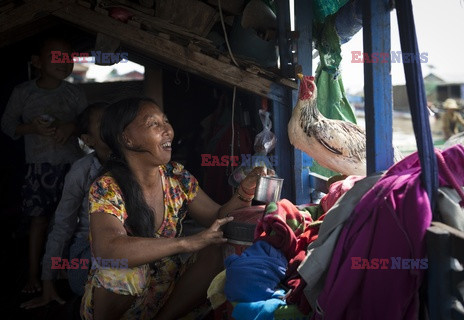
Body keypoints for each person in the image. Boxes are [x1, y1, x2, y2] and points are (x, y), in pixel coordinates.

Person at [80, 97, 269, 320]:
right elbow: (108, 249)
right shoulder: (107, 187)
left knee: (220, 247)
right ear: (127, 138)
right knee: (123, 269)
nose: (167, 130)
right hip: (123, 307)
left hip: (166, 293)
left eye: (166, 121)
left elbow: (218, 217)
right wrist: (185, 242)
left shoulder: (176, 177)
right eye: (154, 124)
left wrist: (244, 192)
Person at [1, 36, 88, 293]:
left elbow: (88, 124)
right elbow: (6, 124)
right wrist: (31, 128)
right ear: (37, 62)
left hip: (72, 167)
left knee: (71, 221)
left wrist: (72, 127)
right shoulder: (24, 92)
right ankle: (32, 275)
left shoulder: (74, 93)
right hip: (38, 168)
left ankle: (65, 272)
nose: (64, 61)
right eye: (57, 56)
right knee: (39, 220)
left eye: (68, 57)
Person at [20, 102, 110, 309]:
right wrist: (47, 281)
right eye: (104, 122)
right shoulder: (81, 171)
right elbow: (63, 226)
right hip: (88, 248)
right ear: (88, 140)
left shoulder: (135, 163)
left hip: (127, 246)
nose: (113, 125)